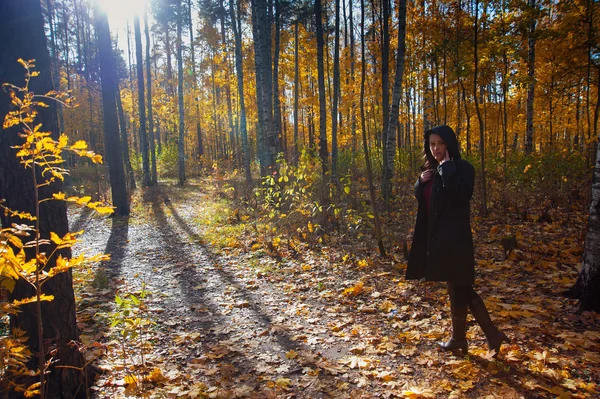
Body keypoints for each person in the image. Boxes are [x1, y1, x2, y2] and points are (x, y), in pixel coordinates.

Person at [405, 124, 509, 356]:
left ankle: (489, 334)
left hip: (456, 239)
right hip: (437, 239)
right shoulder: (430, 169)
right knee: (456, 287)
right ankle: (461, 339)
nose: (436, 148)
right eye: (432, 144)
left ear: (449, 143)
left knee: (461, 286)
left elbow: (462, 195)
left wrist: (448, 169)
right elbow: (426, 201)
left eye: (440, 143)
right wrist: (420, 183)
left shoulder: (462, 168)